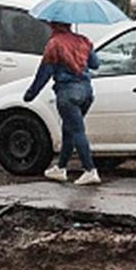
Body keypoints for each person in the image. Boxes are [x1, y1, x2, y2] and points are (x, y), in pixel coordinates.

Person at [24, 21, 101, 185]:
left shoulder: (54, 44)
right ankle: (61, 167)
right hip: (87, 91)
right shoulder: (84, 40)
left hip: (68, 93)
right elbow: (95, 64)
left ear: (54, 26)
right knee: (69, 130)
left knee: (77, 131)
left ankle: (90, 169)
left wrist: (30, 94)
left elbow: (44, 73)